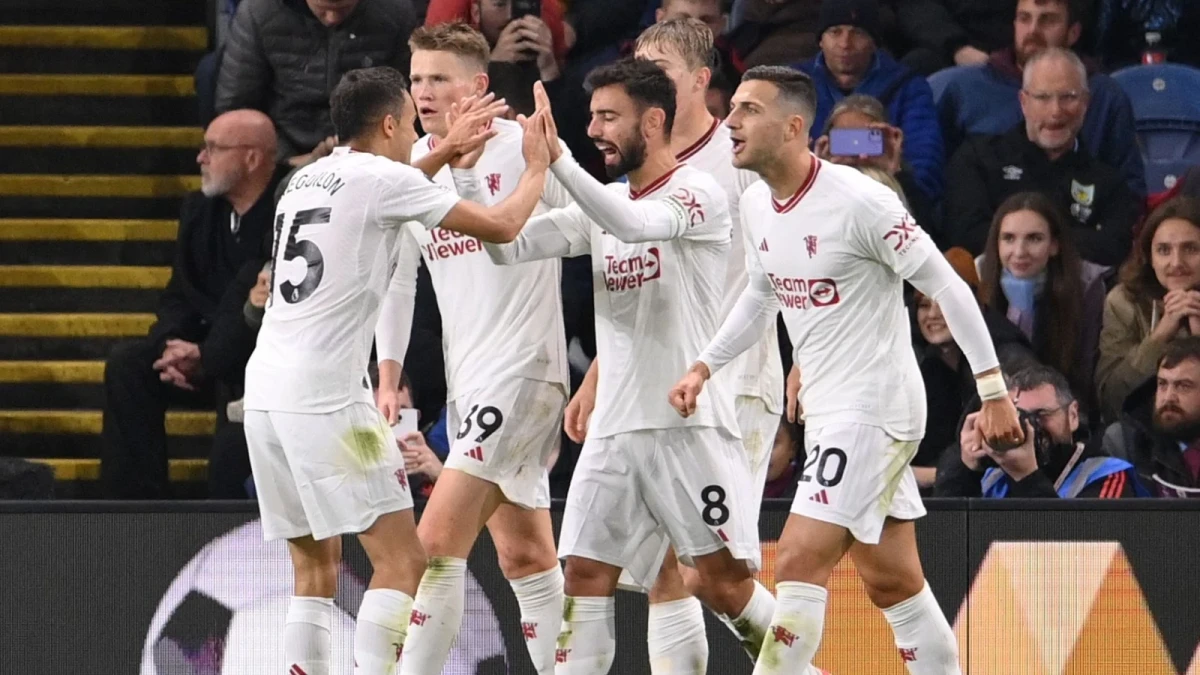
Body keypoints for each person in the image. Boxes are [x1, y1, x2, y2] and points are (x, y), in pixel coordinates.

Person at [669, 65, 1023, 675]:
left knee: (801, 557)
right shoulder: (756, 203)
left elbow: (949, 286)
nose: (730, 121)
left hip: (875, 407)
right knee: (894, 584)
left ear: (793, 126)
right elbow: (763, 293)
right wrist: (705, 365)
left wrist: (992, 389)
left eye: (748, 109)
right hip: (831, 408)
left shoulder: (863, 200)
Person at [240, 65, 554, 675]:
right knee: (405, 562)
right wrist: (538, 167)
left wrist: (444, 154)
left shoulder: (305, 181)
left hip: (265, 398)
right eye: (411, 123)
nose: (417, 133)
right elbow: (502, 225)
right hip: (327, 399)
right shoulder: (385, 178)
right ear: (389, 123)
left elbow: (385, 192)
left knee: (314, 566)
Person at [485, 61, 772, 674]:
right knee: (584, 573)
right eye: (589, 118)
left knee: (720, 584)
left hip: (684, 428)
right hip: (614, 430)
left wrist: (558, 160)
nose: (594, 129)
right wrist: (465, 173)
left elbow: (636, 227)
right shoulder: (609, 200)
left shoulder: (697, 195)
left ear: (654, 120)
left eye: (608, 117)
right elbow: (505, 245)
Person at [551, 19, 788, 673]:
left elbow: (781, 270)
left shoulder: (737, 161)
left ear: (701, 82)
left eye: (661, 70)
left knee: (708, 577)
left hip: (732, 385)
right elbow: (650, 281)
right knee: (662, 569)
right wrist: (602, 374)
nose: (646, 80)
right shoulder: (632, 175)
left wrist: (811, 367)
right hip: (656, 392)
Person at [371, 23, 573, 675]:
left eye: (439, 78)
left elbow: (595, 231)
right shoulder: (413, 167)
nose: (423, 92)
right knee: (525, 556)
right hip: (472, 383)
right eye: (417, 79)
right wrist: (389, 370)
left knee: (431, 547)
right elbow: (400, 274)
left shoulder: (521, 146)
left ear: (478, 86)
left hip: (523, 373)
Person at [101, 109, 286, 499]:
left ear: (252, 158)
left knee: (238, 376)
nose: (201, 158)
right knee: (130, 365)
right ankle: (133, 505)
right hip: (200, 352)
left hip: (254, 352)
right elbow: (179, 293)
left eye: (213, 148)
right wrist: (173, 344)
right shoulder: (200, 210)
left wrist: (209, 354)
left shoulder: (286, 209)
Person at [942, 47, 1141, 266]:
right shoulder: (977, 159)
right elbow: (967, 236)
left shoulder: (1109, 182)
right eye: (1043, 97)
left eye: (1068, 97)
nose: (1056, 111)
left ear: (1085, 103)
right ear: (1024, 102)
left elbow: (1113, 248)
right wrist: (1068, 238)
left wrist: (1017, 238)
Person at [976, 191, 1107, 412]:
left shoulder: (1087, 288)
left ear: (1054, 245)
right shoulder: (978, 278)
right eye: (1008, 238)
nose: (1019, 252)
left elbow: (1083, 379)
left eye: (1034, 239)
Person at [939, 364, 1144, 498]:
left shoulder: (1108, 476)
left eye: (1041, 414)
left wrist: (1026, 476)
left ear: (1073, 416)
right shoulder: (994, 475)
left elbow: (1073, 555)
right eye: (1018, 416)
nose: (1029, 426)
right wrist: (965, 469)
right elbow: (946, 541)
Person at [1097, 197, 1200, 422]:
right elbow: (1110, 399)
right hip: (1146, 429)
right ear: (1149, 257)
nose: (1176, 262)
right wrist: (1159, 337)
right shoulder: (1124, 302)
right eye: (1163, 250)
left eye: (1190, 248)